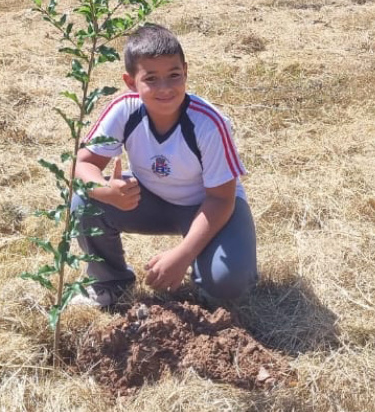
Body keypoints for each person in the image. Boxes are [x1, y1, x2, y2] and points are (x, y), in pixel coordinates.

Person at [72, 24, 258, 307]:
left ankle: (209, 278)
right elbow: (82, 164)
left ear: (186, 70)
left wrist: (182, 255)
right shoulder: (124, 109)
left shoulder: (209, 124)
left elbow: (221, 199)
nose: (165, 88)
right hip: (151, 200)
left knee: (227, 283)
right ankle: (110, 283)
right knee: (84, 201)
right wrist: (105, 191)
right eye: (151, 79)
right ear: (131, 82)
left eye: (174, 76)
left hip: (208, 207)